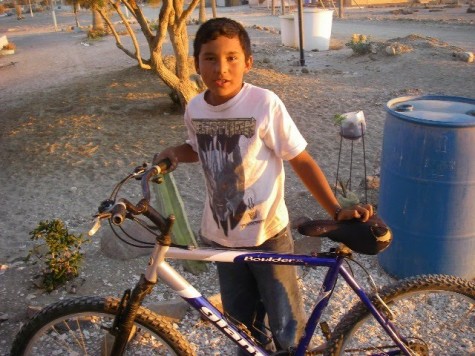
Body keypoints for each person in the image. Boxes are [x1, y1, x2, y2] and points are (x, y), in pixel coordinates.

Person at [153, 17, 373, 354]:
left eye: (231, 58)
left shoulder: (264, 103)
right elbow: (198, 147)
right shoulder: (195, 107)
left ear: (248, 62)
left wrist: (336, 209)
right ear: (196, 63)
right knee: (241, 328)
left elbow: (300, 159)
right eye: (210, 58)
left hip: (267, 235)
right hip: (222, 237)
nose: (220, 68)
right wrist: (173, 153)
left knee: (287, 327)